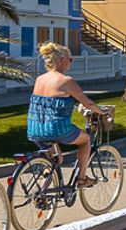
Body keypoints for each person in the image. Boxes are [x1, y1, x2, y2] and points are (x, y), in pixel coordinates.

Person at [27, 41, 110, 186]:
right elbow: (88, 103)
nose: (71, 63)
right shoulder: (66, 81)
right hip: (57, 129)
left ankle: (43, 190)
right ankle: (82, 178)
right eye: (70, 59)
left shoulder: (39, 79)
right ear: (62, 60)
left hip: (35, 128)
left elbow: (50, 103)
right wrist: (102, 112)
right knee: (85, 141)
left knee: (55, 160)